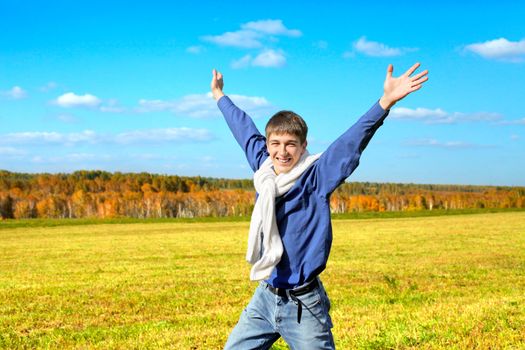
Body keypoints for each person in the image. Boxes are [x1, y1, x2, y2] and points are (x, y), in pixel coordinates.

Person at [211, 63, 428, 349]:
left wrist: (385, 102)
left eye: (291, 144)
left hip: (304, 305)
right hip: (265, 297)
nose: (282, 151)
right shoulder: (263, 169)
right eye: (275, 143)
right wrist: (219, 95)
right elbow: (243, 128)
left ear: (303, 146)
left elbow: (351, 141)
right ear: (267, 144)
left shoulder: (317, 176)